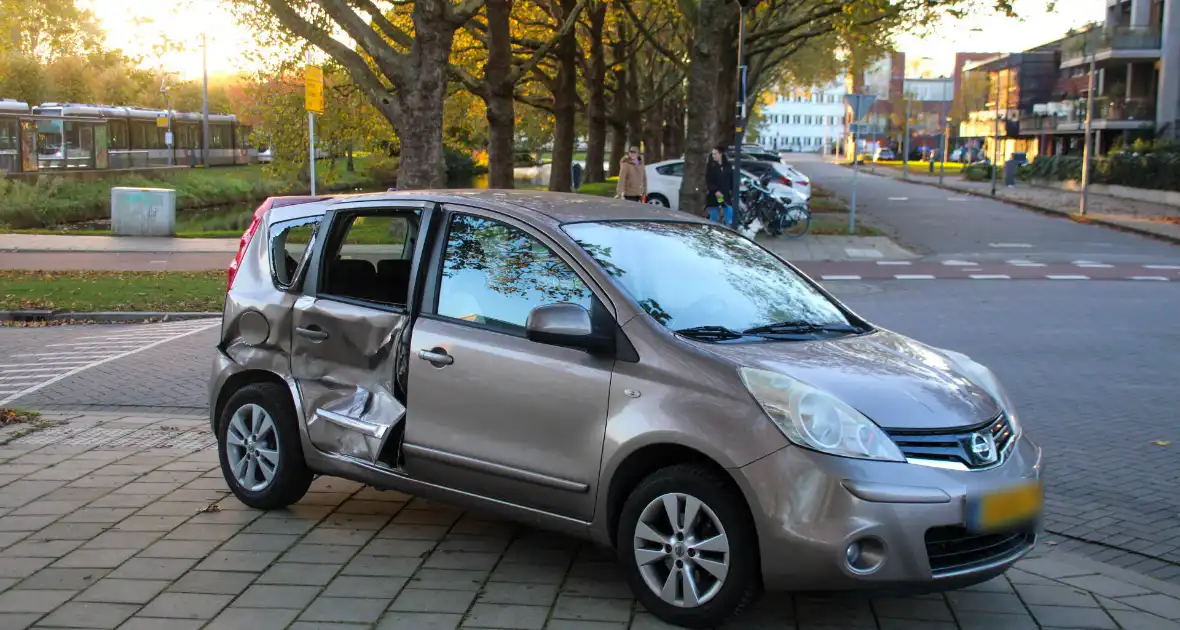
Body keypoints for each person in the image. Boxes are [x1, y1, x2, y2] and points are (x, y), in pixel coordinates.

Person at [705, 147, 734, 226]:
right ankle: (712, 229)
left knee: (728, 210)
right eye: (713, 154)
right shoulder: (710, 166)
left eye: (715, 154)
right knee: (714, 215)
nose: (713, 156)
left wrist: (732, 190)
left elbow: (731, 179)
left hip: (725, 194)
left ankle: (728, 228)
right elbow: (708, 181)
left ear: (720, 154)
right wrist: (715, 190)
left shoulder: (727, 166)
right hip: (715, 195)